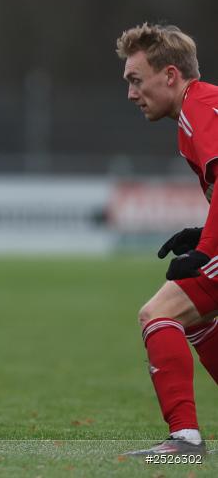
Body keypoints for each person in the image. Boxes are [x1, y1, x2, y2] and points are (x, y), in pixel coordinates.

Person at [116, 23, 218, 456]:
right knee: (194, 317)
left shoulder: (201, 108)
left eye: (136, 80)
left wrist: (204, 251)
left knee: (158, 313)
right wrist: (203, 233)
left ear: (171, 75)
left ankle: (185, 439)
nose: (131, 93)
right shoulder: (194, 113)